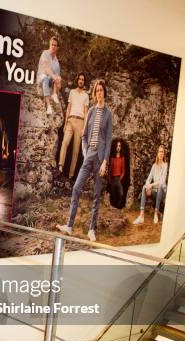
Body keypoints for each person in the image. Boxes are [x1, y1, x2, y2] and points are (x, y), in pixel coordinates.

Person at [57, 80, 113, 242]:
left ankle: (91, 229)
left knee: (97, 194)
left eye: (102, 91)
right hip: (89, 155)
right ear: (94, 94)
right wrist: (85, 151)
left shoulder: (108, 114)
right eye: (97, 91)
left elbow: (108, 140)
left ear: (104, 93)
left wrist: (104, 162)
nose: (99, 93)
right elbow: (83, 136)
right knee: (76, 188)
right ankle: (69, 226)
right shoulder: (91, 112)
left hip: (100, 158)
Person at [58, 73, 89, 178]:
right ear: (77, 81)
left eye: (83, 79)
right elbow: (68, 108)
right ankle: (60, 165)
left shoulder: (86, 96)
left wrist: (84, 128)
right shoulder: (72, 92)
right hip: (71, 120)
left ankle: (71, 174)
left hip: (80, 122)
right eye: (79, 79)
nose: (81, 81)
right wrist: (66, 123)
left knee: (76, 150)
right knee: (65, 142)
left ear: (84, 82)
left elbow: (86, 113)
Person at [133, 144, 168, 225]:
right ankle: (141, 216)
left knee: (159, 187)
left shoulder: (165, 165)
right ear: (157, 153)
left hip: (162, 192)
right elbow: (148, 179)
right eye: (159, 152)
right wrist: (148, 185)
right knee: (144, 187)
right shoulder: (154, 166)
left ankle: (156, 214)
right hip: (155, 192)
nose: (161, 154)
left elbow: (161, 181)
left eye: (162, 152)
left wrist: (151, 185)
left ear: (164, 154)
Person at [37, 36, 62, 115]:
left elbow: (57, 78)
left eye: (55, 45)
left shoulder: (56, 61)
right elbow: (46, 69)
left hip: (50, 79)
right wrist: (54, 77)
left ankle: (54, 94)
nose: (53, 47)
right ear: (49, 45)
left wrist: (58, 82)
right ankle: (48, 106)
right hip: (42, 77)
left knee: (58, 77)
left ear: (57, 47)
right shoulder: (45, 53)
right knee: (46, 78)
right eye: (52, 45)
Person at [107, 139, 129, 210]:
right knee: (113, 194)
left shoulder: (122, 158)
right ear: (115, 147)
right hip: (112, 179)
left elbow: (123, 171)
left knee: (121, 194)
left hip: (118, 178)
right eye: (117, 146)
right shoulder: (112, 158)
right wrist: (109, 180)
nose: (118, 147)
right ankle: (113, 208)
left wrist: (120, 179)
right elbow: (109, 170)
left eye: (119, 146)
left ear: (121, 147)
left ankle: (119, 207)